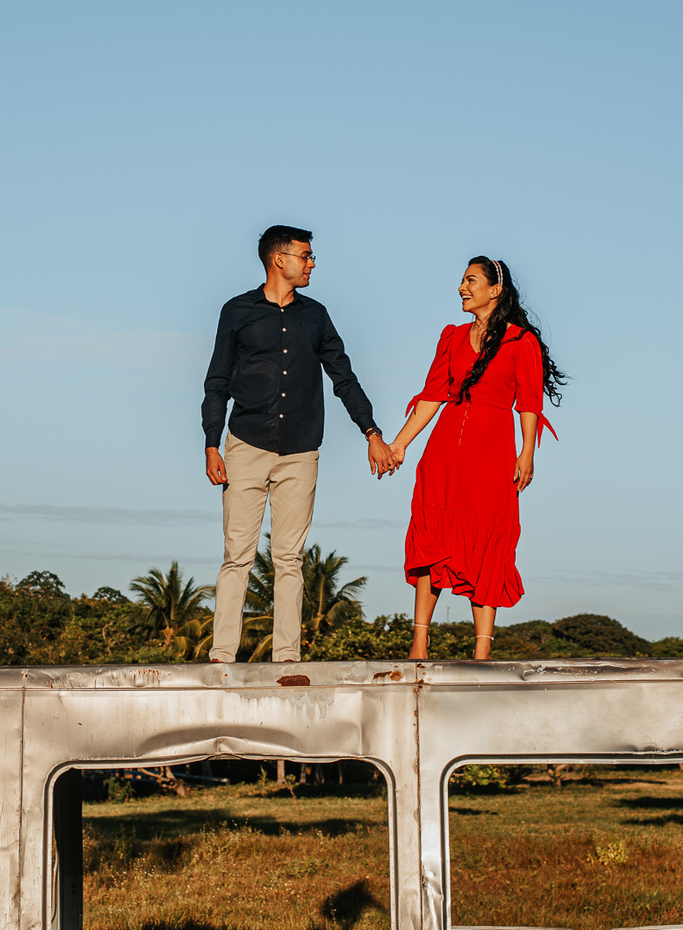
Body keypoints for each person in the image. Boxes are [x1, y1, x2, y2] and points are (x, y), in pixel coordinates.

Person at [203, 226, 396, 663]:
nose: (312, 263)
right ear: (279, 259)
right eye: (305, 256)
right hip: (245, 446)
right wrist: (212, 443)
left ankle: (287, 657)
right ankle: (222, 657)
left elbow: (344, 377)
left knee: (289, 558)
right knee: (237, 556)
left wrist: (372, 433)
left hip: (301, 451)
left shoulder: (316, 316)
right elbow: (217, 381)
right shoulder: (237, 311)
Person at [387, 257, 565, 661]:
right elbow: (432, 396)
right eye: (462, 280)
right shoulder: (451, 337)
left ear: (495, 289)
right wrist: (400, 445)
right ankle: (419, 644)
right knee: (431, 538)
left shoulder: (521, 342)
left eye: (471, 280)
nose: (462, 288)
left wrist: (527, 453)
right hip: (444, 452)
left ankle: (482, 651)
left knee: (488, 546)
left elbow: (529, 403)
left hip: (492, 455)